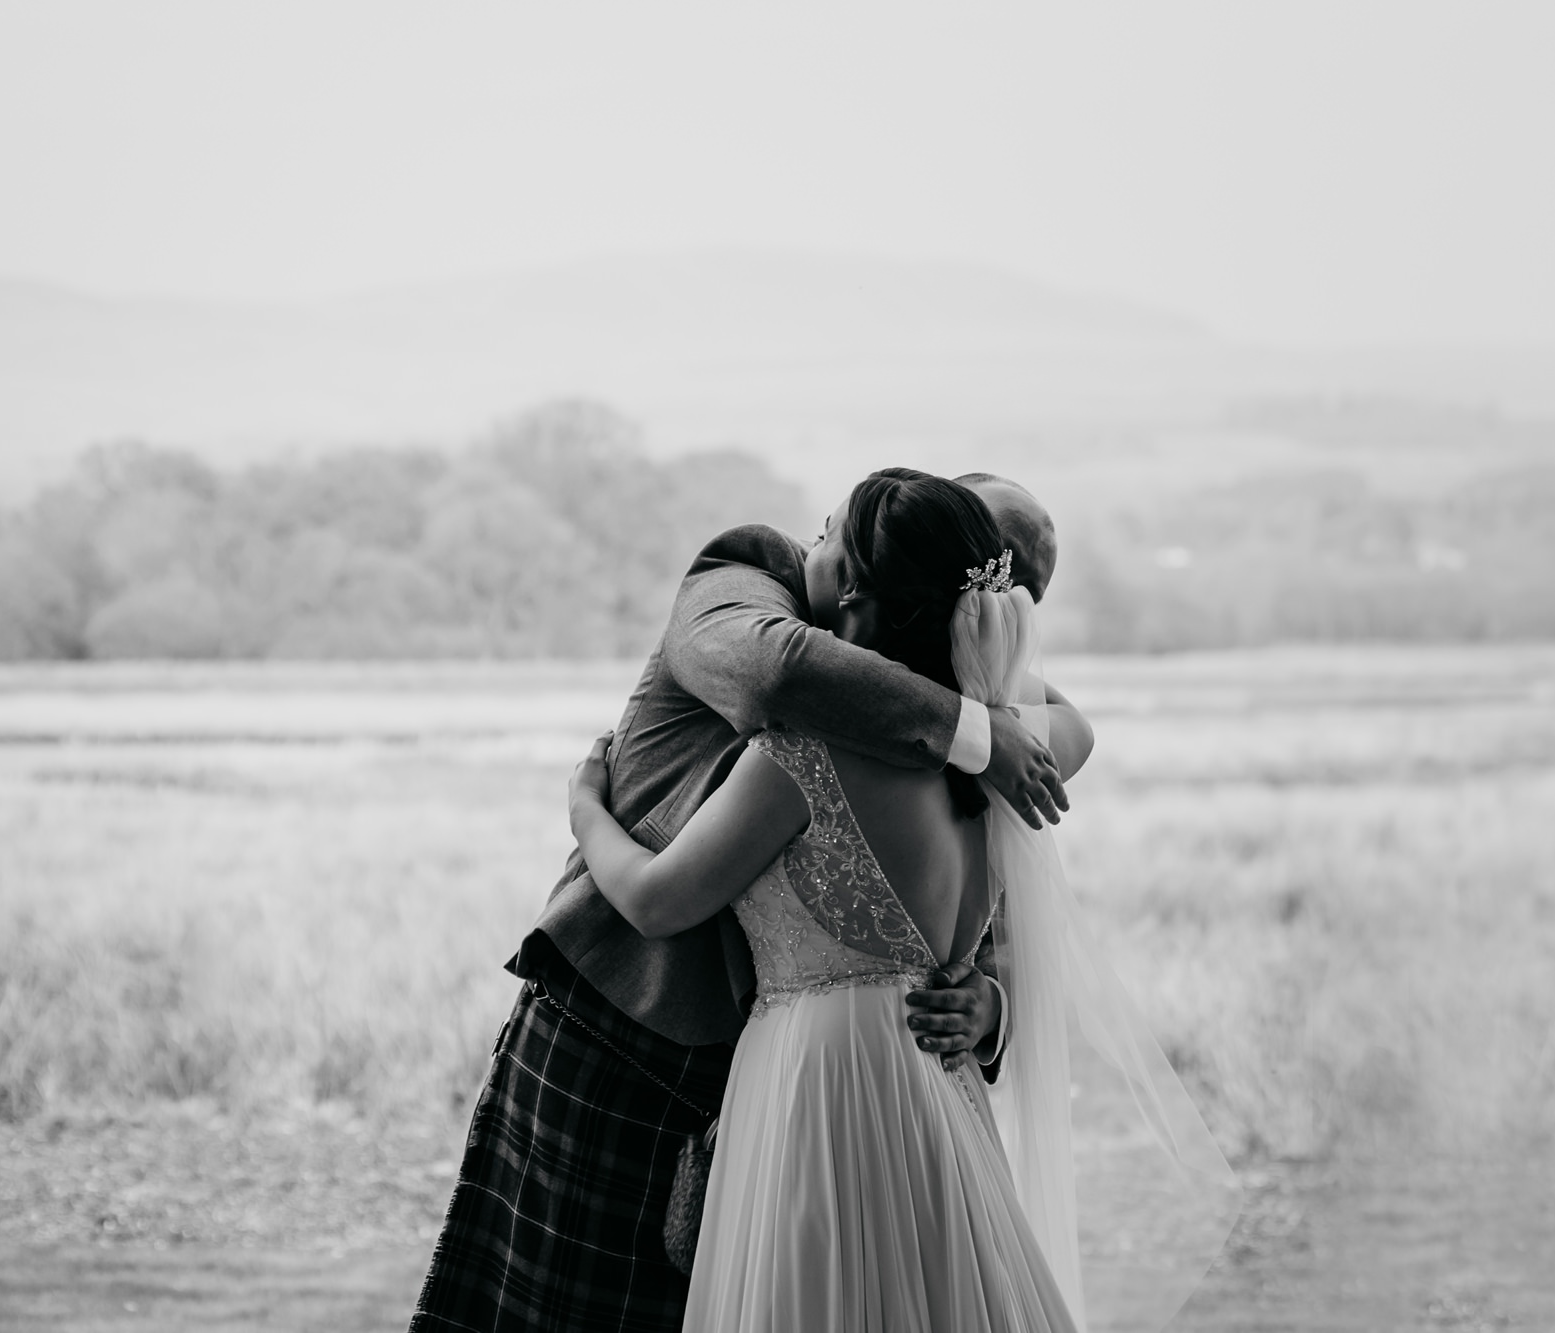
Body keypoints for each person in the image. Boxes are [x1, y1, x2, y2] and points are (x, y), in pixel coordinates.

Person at [409, 472, 1079, 1332]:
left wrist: (991, 1004)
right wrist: (978, 729)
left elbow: (987, 916)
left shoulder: (967, 755)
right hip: (623, 1039)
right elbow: (777, 672)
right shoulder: (749, 578)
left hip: (804, 1089)